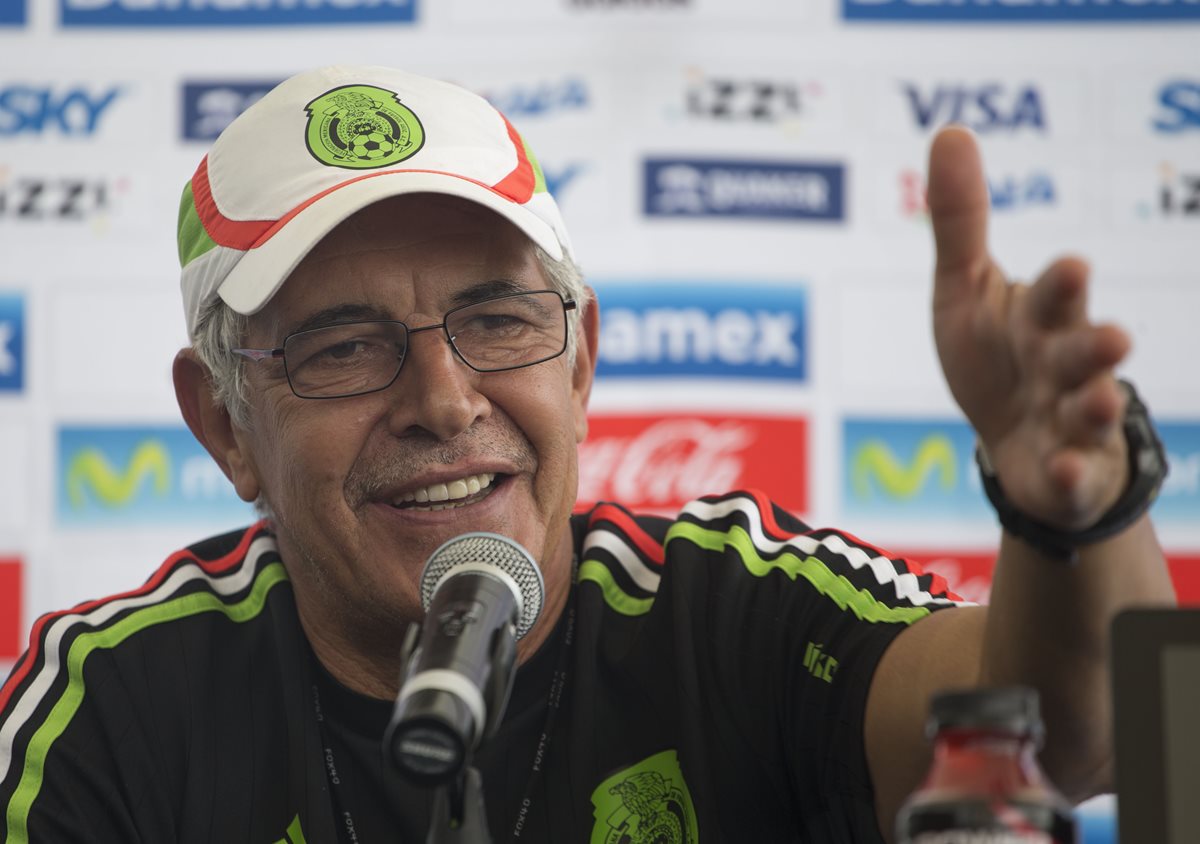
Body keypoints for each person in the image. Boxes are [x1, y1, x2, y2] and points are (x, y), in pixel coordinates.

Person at [0, 64, 1175, 844]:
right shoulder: (106, 706)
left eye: (499, 320)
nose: (445, 399)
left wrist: (1080, 516)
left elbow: (1082, 743)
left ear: (581, 356)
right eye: (341, 346)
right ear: (222, 424)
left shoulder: (737, 605)